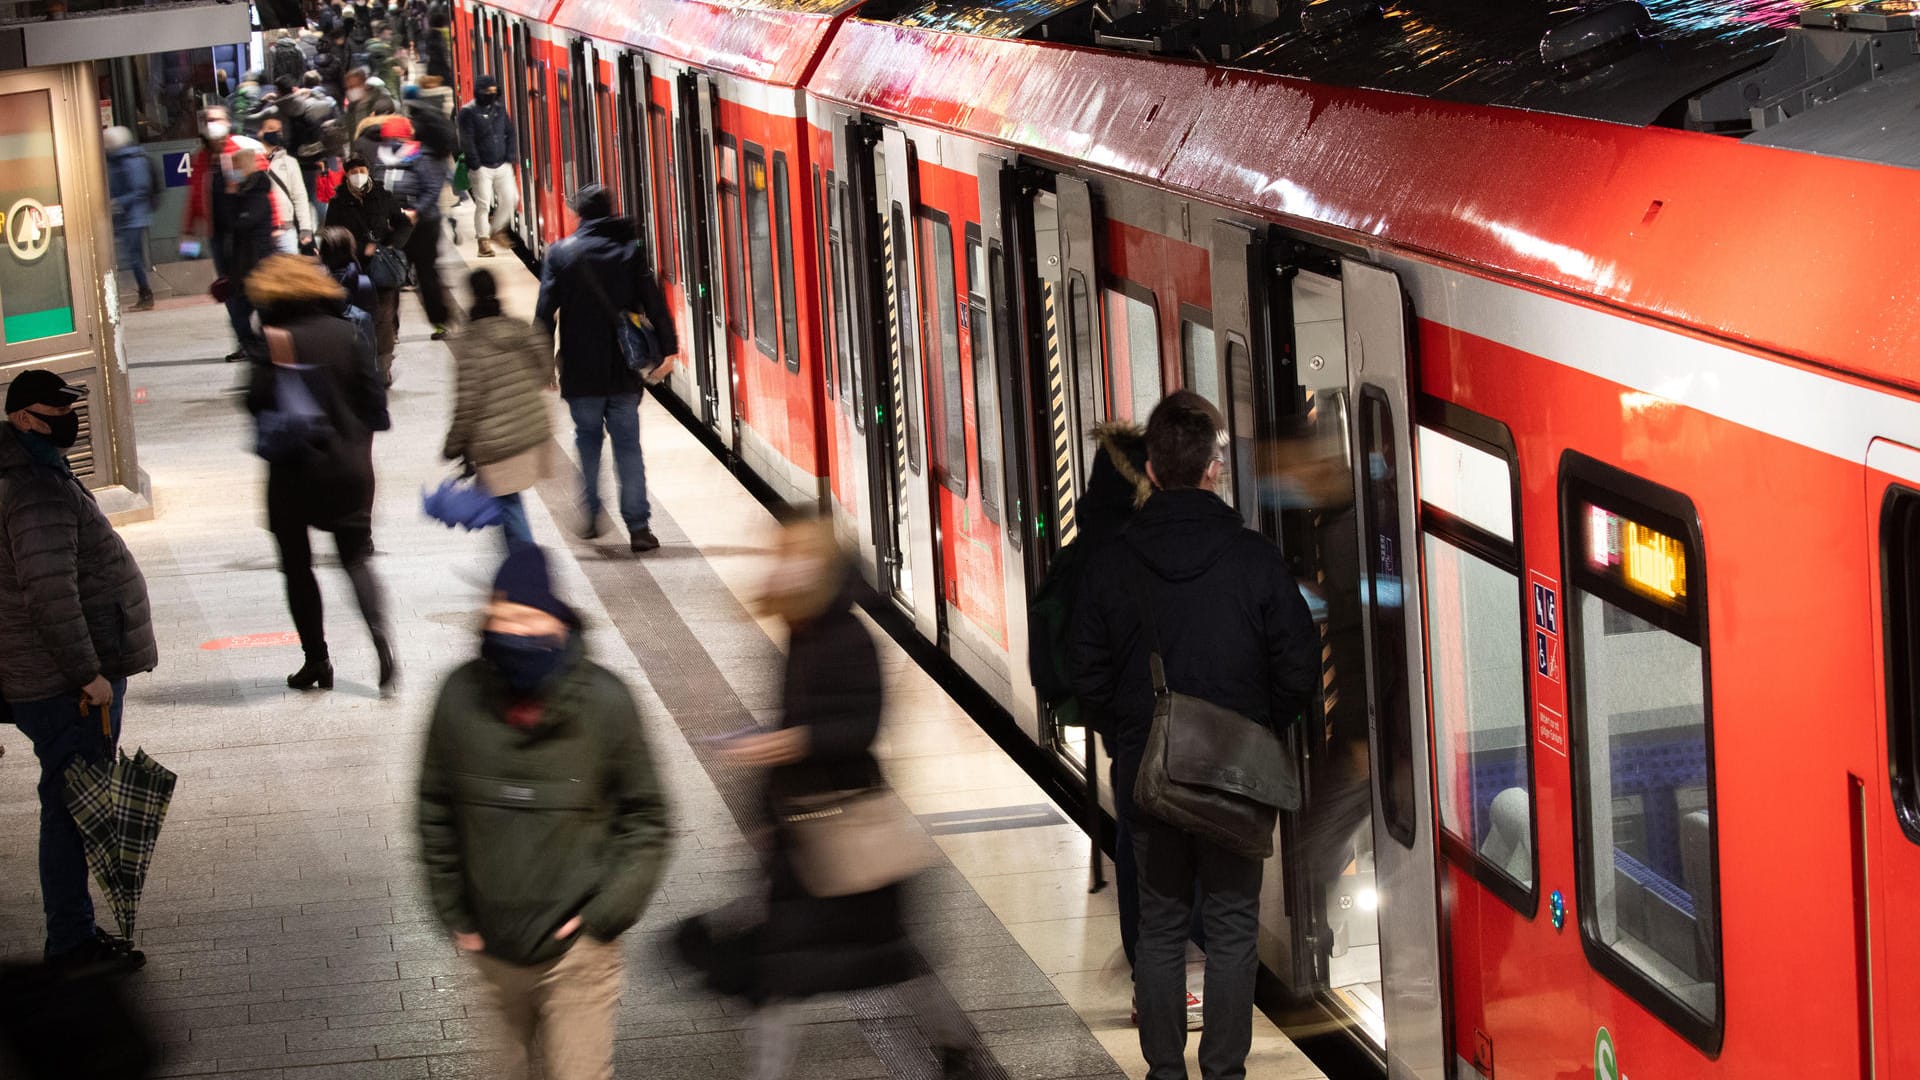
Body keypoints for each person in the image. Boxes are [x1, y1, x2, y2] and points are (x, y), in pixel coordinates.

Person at [1070, 390, 1320, 1080]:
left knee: (1160, 924)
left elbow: (1085, 667)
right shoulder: (1254, 559)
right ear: (1213, 467)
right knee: (1234, 925)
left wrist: (1128, 736)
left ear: (1151, 468)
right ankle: (1225, 1073)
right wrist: (1261, 725)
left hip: (1149, 773)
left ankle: (1164, 1072)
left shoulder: (1113, 562)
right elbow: (1298, 665)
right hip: (1235, 772)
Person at [717, 515, 983, 1080]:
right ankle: (953, 1042)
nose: (782, 567)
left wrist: (788, 743)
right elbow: (795, 717)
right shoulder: (805, 629)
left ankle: (954, 1039)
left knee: (890, 954)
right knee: (790, 970)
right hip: (805, 830)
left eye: (794, 557)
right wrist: (766, 805)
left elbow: (860, 728)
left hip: (847, 828)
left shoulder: (847, 635)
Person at [417, 544, 672, 1080]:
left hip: (578, 954)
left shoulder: (606, 703)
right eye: (503, 617)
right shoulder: (458, 698)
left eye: (529, 617)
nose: (515, 632)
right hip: (491, 951)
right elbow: (434, 809)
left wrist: (604, 917)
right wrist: (456, 915)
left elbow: (648, 820)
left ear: (558, 621)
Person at [0, 369, 157, 971]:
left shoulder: (37, 473)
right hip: (64, 684)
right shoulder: (33, 486)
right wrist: (87, 674)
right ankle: (70, 941)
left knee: (67, 803)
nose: (69, 421)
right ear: (23, 419)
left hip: (52, 676)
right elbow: (50, 594)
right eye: (55, 411)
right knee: (69, 809)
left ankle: (73, 934)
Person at [243, 255, 395, 696]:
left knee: (297, 567)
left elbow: (255, 402)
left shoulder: (272, 338)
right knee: (356, 560)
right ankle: (383, 645)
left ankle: (317, 660)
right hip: (349, 470)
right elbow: (377, 410)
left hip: (293, 472)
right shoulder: (347, 333)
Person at [535, 184, 677, 553]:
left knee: (587, 443)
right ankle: (639, 527)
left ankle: (592, 513)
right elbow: (655, 304)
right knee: (629, 448)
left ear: (579, 214)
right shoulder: (628, 251)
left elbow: (544, 313)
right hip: (623, 369)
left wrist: (542, 363)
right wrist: (668, 351)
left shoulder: (560, 254)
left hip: (581, 371)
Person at [443, 270, 553, 551]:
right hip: (530, 429)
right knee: (505, 501)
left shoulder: (471, 342)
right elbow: (543, 372)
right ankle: (517, 568)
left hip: (496, 440)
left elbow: (467, 403)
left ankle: (528, 571)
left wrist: (453, 445)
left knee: (507, 503)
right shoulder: (520, 329)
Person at [321, 156, 412, 381]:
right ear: (347, 175)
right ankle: (362, 364)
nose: (358, 175)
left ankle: (383, 368)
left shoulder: (382, 196)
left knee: (383, 318)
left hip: (382, 269)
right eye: (353, 172)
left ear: (368, 171)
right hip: (353, 269)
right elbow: (330, 235)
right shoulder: (338, 203)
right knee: (360, 319)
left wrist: (389, 245)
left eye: (361, 170)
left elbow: (404, 223)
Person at [391, 115, 455, 341]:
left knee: (407, 274)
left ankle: (435, 322)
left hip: (420, 223)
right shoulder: (422, 154)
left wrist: (414, 211)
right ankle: (437, 321)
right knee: (421, 273)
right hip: (417, 221)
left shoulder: (423, 156)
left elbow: (430, 190)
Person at [214, 144, 277, 363]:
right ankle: (255, 345)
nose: (232, 172)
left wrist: (231, 196)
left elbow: (239, 222)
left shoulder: (256, 194)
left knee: (255, 308)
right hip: (245, 262)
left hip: (257, 261)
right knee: (244, 309)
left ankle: (263, 346)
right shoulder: (245, 193)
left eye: (236, 167)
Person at [458, 74, 516, 257]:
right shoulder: (467, 112)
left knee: (511, 198)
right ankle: (483, 242)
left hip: (502, 164)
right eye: (487, 91)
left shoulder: (499, 109)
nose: (491, 94)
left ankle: (496, 229)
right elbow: (467, 140)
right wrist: (475, 163)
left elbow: (510, 132)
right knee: (483, 204)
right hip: (481, 167)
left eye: (493, 91)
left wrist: (510, 155)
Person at [102, 126, 155, 312]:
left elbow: (140, 189)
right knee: (132, 257)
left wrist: (117, 202)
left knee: (135, 258)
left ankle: (145, 293)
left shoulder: (131, 161)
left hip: (134, 218)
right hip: (126, 217)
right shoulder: (116, 160)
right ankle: (143, 292)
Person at [255, 116, 315, 254]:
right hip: (261, 231)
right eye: (270, 128)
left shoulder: (290, 162)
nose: (276, 133)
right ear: (260, 132)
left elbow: (299, 196)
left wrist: (305, 229)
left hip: (286, 230)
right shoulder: (252, 160)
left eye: (279, 130)